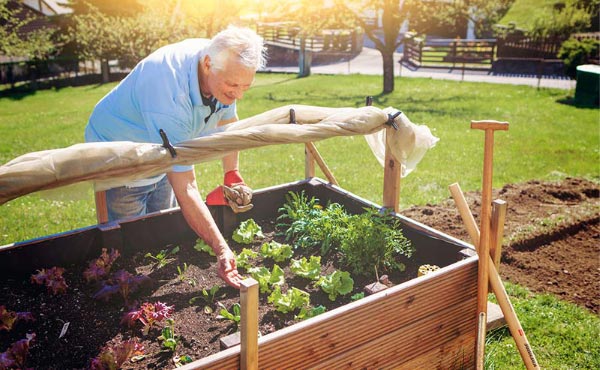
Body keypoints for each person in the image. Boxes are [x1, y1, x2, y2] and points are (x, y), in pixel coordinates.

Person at [84, 26, 267, 289]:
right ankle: (129, 293)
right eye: (233, 86)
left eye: (245, 87)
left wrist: (232, 174)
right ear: (207, 65)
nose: (238, 94)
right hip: (119, 155)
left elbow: (228, 122)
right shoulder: (170, 94)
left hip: (160, 144)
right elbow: (187, 186)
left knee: (162, 230)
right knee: (132, 242)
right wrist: (222, 249)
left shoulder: (226, 63)